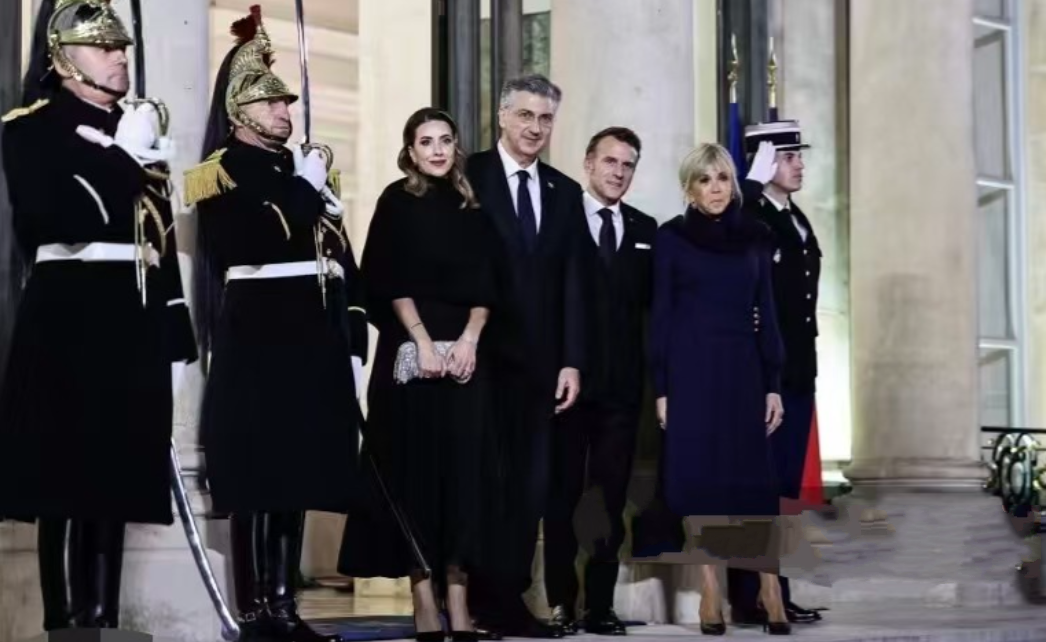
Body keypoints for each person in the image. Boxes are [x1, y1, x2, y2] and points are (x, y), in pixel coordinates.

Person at [0, 0, 193, 629]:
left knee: (115, 479)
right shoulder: (31, 128)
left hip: (131, 317)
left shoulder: (135, 128)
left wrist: (174, 323)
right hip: (68, 315)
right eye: (104, 47)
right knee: (63, 481)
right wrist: (123, 159)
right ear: (63, 60)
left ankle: (102, 620)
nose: (119, 57)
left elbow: (156, 235)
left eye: (122, 47)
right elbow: (57, 218)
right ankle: (65, 625)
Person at [186, 7, 367, 641]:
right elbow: (256, 240)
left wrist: (354, 336)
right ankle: (259, 610)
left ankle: (287, 606)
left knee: (298, 476)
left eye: (286, 102)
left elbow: (341, 260)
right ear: (240, 112)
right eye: (270, 103)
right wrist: (307, 189)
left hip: (313, 342)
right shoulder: (221, 171)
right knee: (260, 478)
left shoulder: (301, 170)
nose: (285, 111)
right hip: (261, 341)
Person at [338, 108, 499, 642]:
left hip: (466, 356)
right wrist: (423, 341)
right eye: (426, 141)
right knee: (416, 478)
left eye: (445, 140)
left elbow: (490, 283)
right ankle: (424, 598)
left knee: (463, 478)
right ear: (410, 150)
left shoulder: (473, 204)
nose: (437, 150)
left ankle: (460, 597)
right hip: (412, 349)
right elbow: (386, 278)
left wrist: (471, 339)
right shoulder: (396, 201)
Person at [649, 143, 790, 636]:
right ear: (689, 188)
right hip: (691, 374)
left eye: (723, 179)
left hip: (743, 371)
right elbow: (661, 315)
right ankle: (711, 590)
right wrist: (662, 387)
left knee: (756, 484)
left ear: (734, 184)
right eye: (704, 180)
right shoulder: (671, 237)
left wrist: (773, 385)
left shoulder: (757, 236)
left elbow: (767, 311)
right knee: (701, 483)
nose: (715, 188)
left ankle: (770, 588)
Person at [465, 74, 587, 639]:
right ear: (502, 116)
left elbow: (573, 284)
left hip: (540, 370)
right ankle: (471, 597)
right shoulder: (468, 175)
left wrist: (571, 360)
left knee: (529, 487)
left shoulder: (565, 192)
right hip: (478, 361)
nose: (535, 128)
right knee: (481, 483)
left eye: (545, 118)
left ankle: (508, 598)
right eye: (525, 116)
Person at [544, 127, 656, 637]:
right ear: (588, 163)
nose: (618, 172)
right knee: (561, 496)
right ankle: (560, 602)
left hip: (622, 392)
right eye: (610, 161)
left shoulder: (645, 229)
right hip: (566, 388)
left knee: (610, 498)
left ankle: (601, 606)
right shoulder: (558, 219)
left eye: (628, 164)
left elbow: (656, 310)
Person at [727, 121, 823, 626]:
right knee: (756, 485)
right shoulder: (750, 215)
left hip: (798, 368)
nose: (799, 164)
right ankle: (750, 595)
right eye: (787, 157)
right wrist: (747, 186)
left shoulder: (794, 217)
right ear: (763, 162)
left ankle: (776, 590)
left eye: (798, 155)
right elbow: (724, 239)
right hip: (762, 372)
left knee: (783, 487)